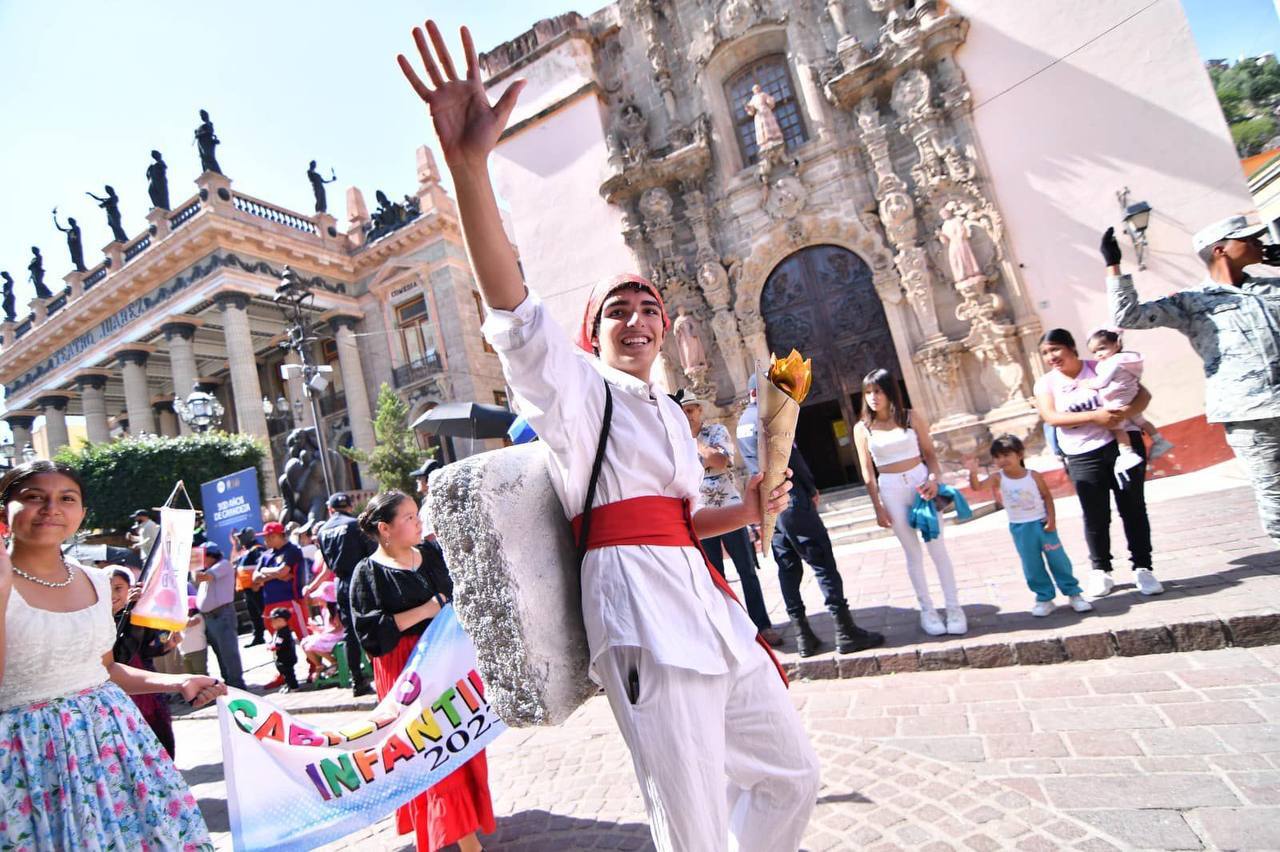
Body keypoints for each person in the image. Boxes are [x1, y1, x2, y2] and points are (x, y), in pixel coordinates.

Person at [397, 23, 819, 850]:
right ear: (591, 335)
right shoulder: (577, 395)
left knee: (790, 778)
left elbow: (685, 520)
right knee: (692, 826)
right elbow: (516, 316)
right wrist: (469, 170)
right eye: (616, 309)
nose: (637, 318)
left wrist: (752, 505)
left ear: (667, 328)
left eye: (649, 307)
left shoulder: (669, 409)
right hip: (637, 620)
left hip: (707, 606)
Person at [0, 460, 220, 849]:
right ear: (5, 511)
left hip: (116, 746)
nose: (51, 508)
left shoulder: (97, 581)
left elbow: (104, 669)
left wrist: (180, 680)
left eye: (66, 498)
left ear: (81, 513)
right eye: (34, 498)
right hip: (30, 758)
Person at [1104, 219, 1280, 547]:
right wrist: (1114, 267)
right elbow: (1128, 318)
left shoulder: (1273, 290)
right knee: (1275, 497)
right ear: (1220, 250)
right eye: (1247, 239)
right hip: (1248, 414)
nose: (1259, 242)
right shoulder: (1192, 302)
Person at [349, 491, 494, 852]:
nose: (418, 522)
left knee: (461, 747)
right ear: (385, 528)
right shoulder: (366, 574)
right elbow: (370, 634)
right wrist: (424, 611)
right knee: (430, 753)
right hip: (406, 675)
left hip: (447, 666)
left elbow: (456, 597)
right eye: (409, 517)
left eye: (417, 515)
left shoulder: (429, 555)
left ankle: (455, 826)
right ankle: (466, 841)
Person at [737, 377, 883, 656]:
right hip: (791, 500)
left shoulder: (743, 421)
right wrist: (811, 487)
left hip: (770, 505)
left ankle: (804, 635)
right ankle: (845, 629)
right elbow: (792, 458)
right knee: (822, 560)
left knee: (788, 567)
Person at [1033, 328, 1161, 599]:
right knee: (1095, 514)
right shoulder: (1046, 384)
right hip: (1081, 454)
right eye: (1045, 353)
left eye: (1055, 348)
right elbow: (1051, 417)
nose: (1051, 356)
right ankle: (1101, 570)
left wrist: (1122, 413)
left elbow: (1143, 396)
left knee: (1133, 508)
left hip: (1122, 446)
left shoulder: (1101, 367)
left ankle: (1143, 568)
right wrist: (1097, 417)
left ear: (1071, 347)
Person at [853, 369, 967, 636]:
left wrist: (934, 479)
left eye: (878, 390)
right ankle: (927, 610)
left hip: (920, 485)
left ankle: (954, 608)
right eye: (868, 392)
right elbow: (867, 471)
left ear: (890, 390)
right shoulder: (862, 428)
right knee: (912, 553)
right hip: (891, 489)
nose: (873, 397)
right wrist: (877, 507)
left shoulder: (910, 417)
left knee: (938, 548)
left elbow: (931, 455)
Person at [674, 388, 781, 647]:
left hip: (731, 509)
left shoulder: (716, 432)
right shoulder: (672, 440)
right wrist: (703, 456)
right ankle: (728, 629)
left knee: (746, 570)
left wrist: (694, 444)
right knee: (713, 575)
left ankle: (761, 625)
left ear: (700, 410)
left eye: (690, 410)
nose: (687, 416)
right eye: (682, 411)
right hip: (700, 515)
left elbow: (720, 461)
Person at [964, 435, 1094, 617]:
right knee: (1032, 565)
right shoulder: (997, 478)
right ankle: (1044, 598)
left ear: (1020, 454)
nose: (1002, 460)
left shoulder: (1033, 476)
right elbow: (977, 488)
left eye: (1006, 455)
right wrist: (972, 472)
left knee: (1059, 561)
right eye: (997, 457)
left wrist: (1052, 520)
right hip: (1020, 528)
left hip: (1042, 524)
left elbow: (1047, 496)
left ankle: (1074, 594)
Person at [315, 492, 375, 697]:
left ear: (331, 510)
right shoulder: (354, 524)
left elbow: (326, 562)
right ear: (350, 507)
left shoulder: (322, 531)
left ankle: (357, 681)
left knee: (350, 632)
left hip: (340, 582)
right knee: (373, 624)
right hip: (361, 579)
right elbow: (373, 553)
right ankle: (381, 674)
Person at [1084, 329, 1175, 463]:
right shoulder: (1126, 360)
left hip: (1118, 398)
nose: (1099, 354)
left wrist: (1085, 384)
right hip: (1129, 395)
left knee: (1116, 426)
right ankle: (1159, 440)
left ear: (1116, 344)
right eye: (1094, 352)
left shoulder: (1112, 362)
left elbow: (1101, 382)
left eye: (1102, 348)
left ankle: (1127, 453)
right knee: (1140, 420)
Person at [192, 544, 246, 689]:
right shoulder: (209, 569)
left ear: (211, 555)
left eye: (204, 557)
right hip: (211, 617)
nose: (202, 560)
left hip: (222, 614)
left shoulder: (223, 565)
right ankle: (229, 682)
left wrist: (193, 565)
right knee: (220, 652)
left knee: (229, 652)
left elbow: (203, 577)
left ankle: (237, 684)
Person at [233, 526, 266, 646]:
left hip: (257, 588)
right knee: (254, 614)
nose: (239, 540)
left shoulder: (258, 549)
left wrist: (258, 583)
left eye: (241, 537)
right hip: (248, 589)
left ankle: (276, 633)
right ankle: (258, 636)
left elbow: (262, 566)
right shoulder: (246, 551)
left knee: (263, 612)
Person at [301, 590, 345, 680]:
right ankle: (319, 665)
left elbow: (339, 628)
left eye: (320, 598)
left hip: (338, 636)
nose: (318, 601)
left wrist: (325, 632)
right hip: (330, 635)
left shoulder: (335, 610)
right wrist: (317, 629)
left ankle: (334, 662)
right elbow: (327, 628)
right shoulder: (324, 610)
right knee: (304, 643)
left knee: (313, 644)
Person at [411, 459, 444, 548]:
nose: (417, 480)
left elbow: (430, 537)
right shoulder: (437, 501)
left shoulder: (430, 506)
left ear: (429, 479)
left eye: (420, 477)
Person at [267, 607, 300, 692]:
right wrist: (270, 644)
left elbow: (279, 643)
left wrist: (273, 646)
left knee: (289, 673)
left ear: (282, 621)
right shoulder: (278, 631)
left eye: (274, 621)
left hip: (286, 658)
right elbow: (275, 641)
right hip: (281, 657)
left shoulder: (283, 632)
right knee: (284, 673)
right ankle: (288, 684)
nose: (272, 623)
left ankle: (293, 686)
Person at [180, 600, 209, 676]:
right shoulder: (182, 620)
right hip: (185, 652)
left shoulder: (198, 617)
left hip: (198, 651)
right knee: (191, 676)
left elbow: (189, 623)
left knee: (201, 674)